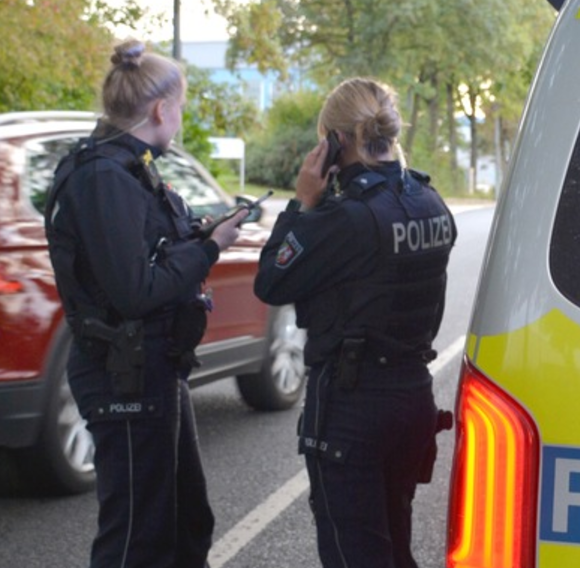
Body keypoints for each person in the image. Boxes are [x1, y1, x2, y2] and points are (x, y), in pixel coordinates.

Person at [44, 39, 247, 568]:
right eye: (179, 107)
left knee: (184, 523)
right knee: (138, 537)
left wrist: (199, 234)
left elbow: (144, 254)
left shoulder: (129, 169)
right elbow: (133, 291)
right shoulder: (103, 177)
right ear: (160, 109)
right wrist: (209, 249)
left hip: (154, 366)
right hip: (123, 372)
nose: (179, 118)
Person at [254, 77, 457, 568]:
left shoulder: (346, 219)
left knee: (355, 555)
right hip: (411, 398)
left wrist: (304, 203)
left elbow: (272, 281)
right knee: (395, 547)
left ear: (333, 142)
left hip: (353, 409)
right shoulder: (432, 203)